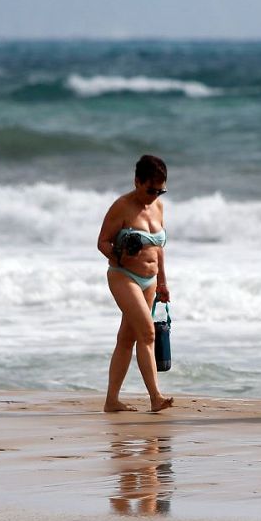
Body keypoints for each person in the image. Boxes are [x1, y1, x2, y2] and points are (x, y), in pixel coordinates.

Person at [97, 154, 173, 413]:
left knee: (127, 339)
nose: (154, 195)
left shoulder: (158, 207)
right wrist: (119, 254)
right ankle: (155, 397)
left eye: (160, 190)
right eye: (150, 189)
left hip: (150, 281)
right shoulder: (122, 206)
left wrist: (162, 282)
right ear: (137, 181)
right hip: (123, 276)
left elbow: (159, 247)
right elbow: (102, 242)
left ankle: (111, 401)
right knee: (148, 332)